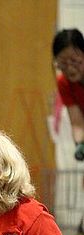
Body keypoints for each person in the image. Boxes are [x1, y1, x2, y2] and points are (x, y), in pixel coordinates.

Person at [52, 28, 84, 161]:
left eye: (75, 62)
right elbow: (76, 122)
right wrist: (80, 144)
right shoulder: (64, 82)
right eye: (63, 64)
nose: (70, 69)